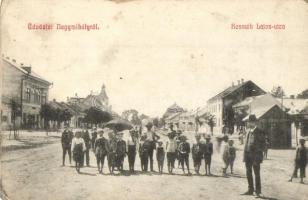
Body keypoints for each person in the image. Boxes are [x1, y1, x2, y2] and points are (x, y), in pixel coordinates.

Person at [242, 115, 266, 197]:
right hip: (248, 155)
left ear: (254, 122)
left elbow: (263, 146)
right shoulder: (248, 131)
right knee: (248, 173)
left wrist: (258, 158)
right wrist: (244, 156)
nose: (248, 123)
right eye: (248, 122)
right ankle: (250, 189)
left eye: (249, 122)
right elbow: (246, 144)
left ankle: (258, 191)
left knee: (256, 174)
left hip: (255, 156)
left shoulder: (259, 132)